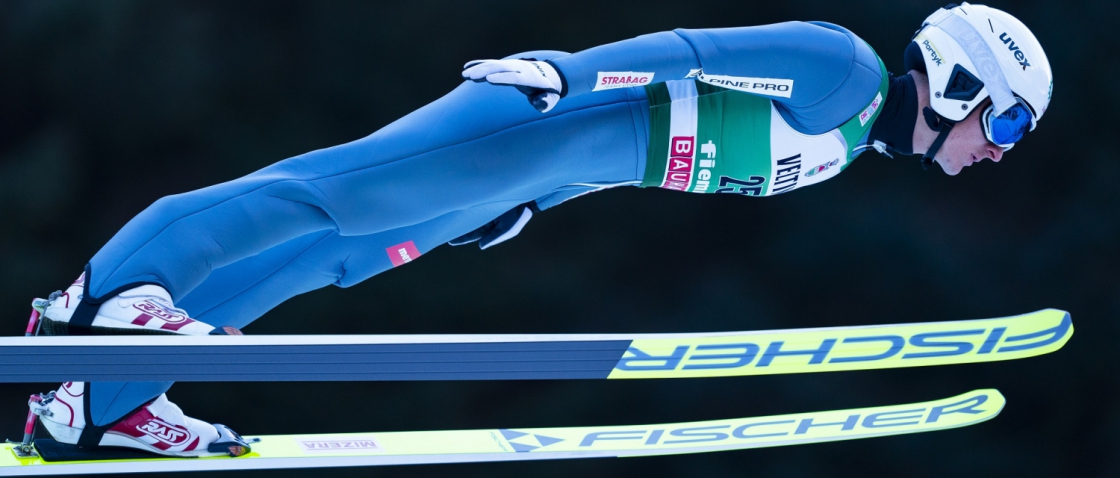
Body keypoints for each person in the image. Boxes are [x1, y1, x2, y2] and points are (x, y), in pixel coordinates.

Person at [27, 3, 1051, 457]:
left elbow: (645, 157)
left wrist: (530, 207)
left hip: (529, 173)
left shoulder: (844, 148)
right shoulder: (846, 73)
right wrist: (565, 74)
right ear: (960, 82)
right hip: (531, 117)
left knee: (332, 257)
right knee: (325, 194)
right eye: (1005, 124)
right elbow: (691, 51)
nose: (999, 151)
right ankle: (95, 304)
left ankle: (104, 404)